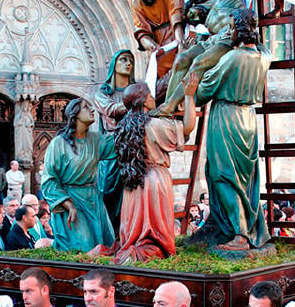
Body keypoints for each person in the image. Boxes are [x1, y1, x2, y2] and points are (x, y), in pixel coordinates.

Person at [187, 7, 271, 250]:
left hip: (226, 118)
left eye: (231, 27)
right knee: (246, 178)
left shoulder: (231, 58)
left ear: (237, 29)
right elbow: (261, 46)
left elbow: (203, 92)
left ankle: (239, 235)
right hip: (248, 118)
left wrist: (192, 90)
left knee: (224, 175)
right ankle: (242, 227)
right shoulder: (264, 56)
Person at [153, 0, 247, 117]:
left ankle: (170, 105)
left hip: (229, 40)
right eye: (191, 18)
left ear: (198, 2)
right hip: (213, 41)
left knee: (198, 63)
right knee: (181, 60)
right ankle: (170, 108)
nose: (193, 18)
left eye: (192, 13)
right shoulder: (209, 23)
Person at [99, 79, 197, 263]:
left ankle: (134, 249)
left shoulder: (122, 128)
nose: (153, 99)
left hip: (132, 183)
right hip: (155, 181)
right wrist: (190, 95)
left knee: (135, 231)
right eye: (150, 95)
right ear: (144, 101)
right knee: (156, 233)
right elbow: (188, 127)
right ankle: (142, 253)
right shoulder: (154, 124)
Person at [41, 98, 116, 252]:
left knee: (106, 246)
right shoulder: (58, 143)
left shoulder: (95, 140)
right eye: (86, 107)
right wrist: (68, 205)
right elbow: (49, 182)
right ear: (75, 114)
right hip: (71, 201)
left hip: (93, 200)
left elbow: (120, 144)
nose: (92, 110)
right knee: (84, 247)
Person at [122, 0, 186, 100]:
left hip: (176, 32)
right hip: (160, 42)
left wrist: (180, 42)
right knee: (155, 77)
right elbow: (141, 30)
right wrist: (150, 44)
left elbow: (176, 12)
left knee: (178, 66)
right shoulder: (136, 2)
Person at [93, 49, 136, 233]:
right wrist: (138, 101)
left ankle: (127, 235)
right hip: (112, 149)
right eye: (123, 60)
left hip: (134, 148)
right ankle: (110, 235)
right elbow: (111, 109)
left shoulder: (136, 89)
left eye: (131, 61)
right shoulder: (102, 94)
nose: (128, 64)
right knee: (108, 194)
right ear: (114, 65)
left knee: (132, 195)